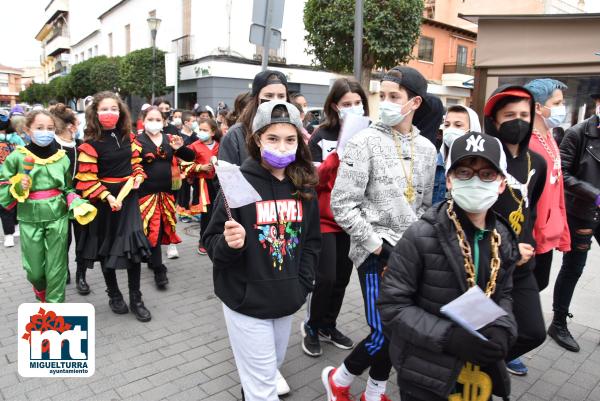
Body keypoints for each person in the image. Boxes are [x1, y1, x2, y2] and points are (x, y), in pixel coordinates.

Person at [323, 66, 437, 401]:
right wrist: (377, 246)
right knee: (385, 329)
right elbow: (342, 204)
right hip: (374, 252)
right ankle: (339, 379)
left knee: (399, 330)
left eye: (394, 97)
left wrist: (422, 247)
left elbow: (429, 206)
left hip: (412, 254)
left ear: (414, 102)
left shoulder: (429, 149)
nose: (385, 102)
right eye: (382, 95)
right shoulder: (363, 142)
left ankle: (374, 392)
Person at [379, 132, 519, 401]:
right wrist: (448, 337)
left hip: (479, 378)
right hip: (426, 376)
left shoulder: (503, 237)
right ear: (450, 180)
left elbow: (505, 294)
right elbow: (392, 307)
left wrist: (504, 327)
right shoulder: (420, 235)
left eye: (487, 174)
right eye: (465, 172)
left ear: (502, 183)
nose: (476, 181)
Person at [203, 101, 320, 401]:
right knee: (264, 389)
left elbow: (311, 242)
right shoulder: (237, 182)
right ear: (256, 139)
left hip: (286, 299)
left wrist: (302, 285)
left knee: (270, 370)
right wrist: (230, 244)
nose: (282, 147)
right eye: (272, 138)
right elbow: (213, 242)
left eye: (290, 139)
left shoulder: (303, 185)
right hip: (245, 302)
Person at [302, 77, 369, 358]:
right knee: (326, 277)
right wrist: (336, 157)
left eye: (358, 103)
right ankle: (312, 327)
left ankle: (329, 324)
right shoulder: (321, 136)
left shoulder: (370, 134)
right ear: (334, 106)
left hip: (352, 219)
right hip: (325, 219)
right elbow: (311, 180)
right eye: (346, 104)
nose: (353, 109)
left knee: (342, 278)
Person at [483, 85, 547, 376]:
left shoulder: (539, 163)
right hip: (483, 264)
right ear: (494, 120)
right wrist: (505, 247)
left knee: (534, 332)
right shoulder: (480, 160)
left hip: (521, 267)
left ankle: (481, 364)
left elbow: (529, 209)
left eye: (524, 114)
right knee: (480, 329)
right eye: (509, 115)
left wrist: (528, 245)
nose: (518, 121)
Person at [0, 110, 95, 303]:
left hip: (57, 217)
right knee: (34, 272)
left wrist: (75, 201)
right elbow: (3, 186)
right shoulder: (17, 157)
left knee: (57, 268)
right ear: (28, 129)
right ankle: (41, 292)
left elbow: (68, 188)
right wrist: (18, 185)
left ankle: (54, 311)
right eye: (40, 128)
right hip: (29, 218)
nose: (46, 132)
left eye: (50, 128)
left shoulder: (62, 157)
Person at [76, 91, 152, 322]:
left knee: (133, 249)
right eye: (105, 109)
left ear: (121, 112)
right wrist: (107, 196)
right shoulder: (90, 144)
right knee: (106, 248)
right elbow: (87, 179)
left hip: (128, 200)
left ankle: (136, 298)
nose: (110, 113)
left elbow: (136, 164)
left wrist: (138, 176)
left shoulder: (129, 137)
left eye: (114, 109)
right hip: (103, 203)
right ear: (95, 113)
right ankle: (114, 294)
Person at [551, 92, 600, 351]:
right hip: (582, 211)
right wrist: (594, 194)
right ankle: (558, 322)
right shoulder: (578, 133)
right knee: (574, 267)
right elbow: (563, 174)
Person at [136, 106, 195, 288]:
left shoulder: (171, 139)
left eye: (158, 119)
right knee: (152, 228)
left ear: (163, 122)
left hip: (168, 193)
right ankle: (159, 269)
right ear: (144, 120)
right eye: (150, 119)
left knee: (163, 227)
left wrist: (180, 148)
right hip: (146, 194)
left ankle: (154, 260)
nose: (154, 123)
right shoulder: (137, 141)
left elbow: (190, 156)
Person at [524, 79, 571, 292]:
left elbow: (557, 189)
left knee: (540, 284)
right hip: (531, 236)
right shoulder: (526, 144)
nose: (563, 108)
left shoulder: (550, 138)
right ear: (537, 107)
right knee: (526, 288)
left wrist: (561, 230)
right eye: (557, 102)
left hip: (548, 231)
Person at [50, 103, 91, 294]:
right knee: (62, 240)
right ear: (71, 125)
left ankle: (81, 276)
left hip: (81, 201)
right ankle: (63, 270)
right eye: (77, 122)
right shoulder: (51, 147)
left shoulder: (83, 146)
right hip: (57, 201)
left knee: (82, 239)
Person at [219, 70, 289, 166]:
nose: (275, 101)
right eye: (269, 95)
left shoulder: (293, 131)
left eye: (281, 96)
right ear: (256, 98)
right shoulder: (235, 135)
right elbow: (225, 177)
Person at [432, 105, 481, 204]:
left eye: (458, 125)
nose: (450, 129)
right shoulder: (435, 161)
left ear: (472, 129)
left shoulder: (481, 165)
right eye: (446, 125)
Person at [188, 118, 221, 255]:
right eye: (200, 129)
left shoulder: (220, 145)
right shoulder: (194, 146)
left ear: (213, 132)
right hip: (203, 185)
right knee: (206, 214)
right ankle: (203, 240)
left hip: (219, 184)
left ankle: (217, 240)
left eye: (205, 130)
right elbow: (184, 164)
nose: (201, 132)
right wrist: (200, 167)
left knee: (218, 212)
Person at [0, 109, 24, 248]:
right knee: (4, 207)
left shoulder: (16, 139)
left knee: (17, 204)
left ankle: (15, 227)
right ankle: (8, 234)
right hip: (1, 181)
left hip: (16, 178)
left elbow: (24, 153)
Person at [176, 111, 200, 223]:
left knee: (197, 189)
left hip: (196, 167)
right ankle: (183, 212)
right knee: (184, 191)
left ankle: (195, 211)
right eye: (193, 121)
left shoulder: (196, 136)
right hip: (182, 168)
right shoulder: (178, 135)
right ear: (186, 122)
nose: (195, 123)